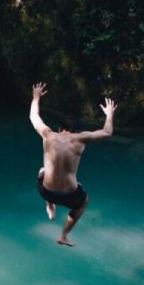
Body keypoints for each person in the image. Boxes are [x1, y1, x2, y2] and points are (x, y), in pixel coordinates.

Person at [29, 82, 117, 247]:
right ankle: (63, 235)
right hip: (70, 196)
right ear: (76, 131)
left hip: (45, 192)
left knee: (42, 171)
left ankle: (49, 206)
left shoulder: (48, 135)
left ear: (60, 128)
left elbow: (34, 117)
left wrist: (36, 97)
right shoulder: (81, 138)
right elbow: (107, 132)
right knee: (84, 202)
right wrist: (109, 114)